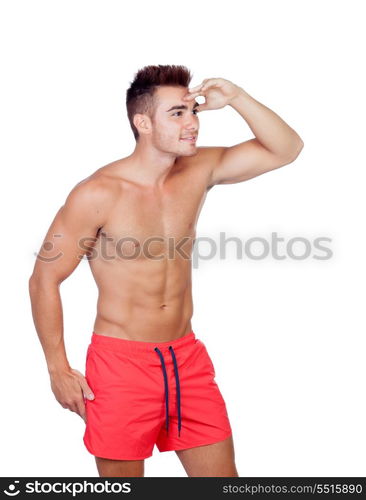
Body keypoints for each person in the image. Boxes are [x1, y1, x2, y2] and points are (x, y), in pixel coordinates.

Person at [29, 64, 304, 477]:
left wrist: (238, 98)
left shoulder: (198, 169)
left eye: (193, 111)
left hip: (186, 358)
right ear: (142, 123)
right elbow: (45, 279)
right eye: (177, 113)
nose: (193, 123)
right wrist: (57, 368)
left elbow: (287, 149)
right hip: (120, 366)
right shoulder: (98, 193)